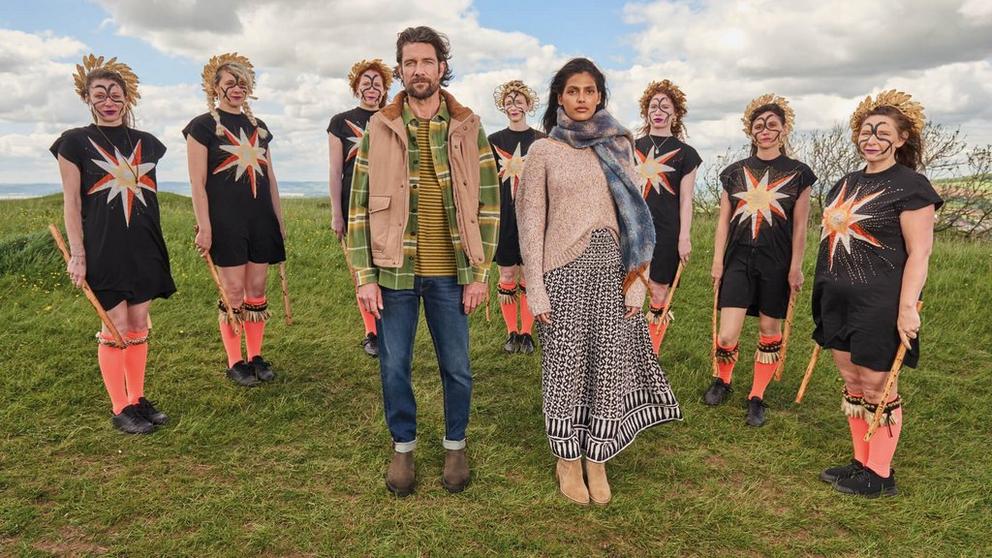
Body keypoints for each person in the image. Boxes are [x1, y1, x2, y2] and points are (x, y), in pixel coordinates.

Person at [516, 58, 682, 506]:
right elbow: (530, 221)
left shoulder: (619, 144)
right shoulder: (544, 151)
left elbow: (635, 218)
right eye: (573, 91)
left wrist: (636, 280)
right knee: (566, 365)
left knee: (608, 362)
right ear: (559, 98)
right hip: (561, 271)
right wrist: (535, 284)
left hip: (613, 269)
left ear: (600, 96)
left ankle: (597, 457)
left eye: (590, 91)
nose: (582, 99)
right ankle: (567, 458)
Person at [347, 26, 500, 496]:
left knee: (457, 366)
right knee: (394, 366)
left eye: (427, 62)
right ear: (400, 70)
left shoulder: (469, 126)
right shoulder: (379, 127)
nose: (418, 71)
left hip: (452, 273)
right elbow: (359, 204)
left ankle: (455, 444)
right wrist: (364, 276)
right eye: (409, 63)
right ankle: (404, 447)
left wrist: (478, 273)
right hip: (394, 273)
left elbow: (489, 204)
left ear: (441, 68)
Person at [812, 90, 941, 497]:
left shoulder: (912, 186)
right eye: (866, 131)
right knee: (852, 381)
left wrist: (907, 308)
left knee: (878, 384)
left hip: (880, 303)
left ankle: (880, 475)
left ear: (902, 139)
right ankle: (861, 460)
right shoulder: (845, 183)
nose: (871, 138)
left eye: (882, 131)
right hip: (836, 298)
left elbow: (920, 252)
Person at [51, 54, 174, 433]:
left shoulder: (148, 144)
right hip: (104, 247)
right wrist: (78, 255)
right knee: (115, 326)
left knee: (138, 324)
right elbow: (72, 203)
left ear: (127, 99)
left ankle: (136, 398)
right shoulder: (73, 142)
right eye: (100, 93)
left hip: (145, 244)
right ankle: (120, 407)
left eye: (115, 93)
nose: (108, 100)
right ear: (88, 98)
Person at [705, 93, 816, 427]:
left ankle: (757, 395)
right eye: (759, 125)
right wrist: (717, 261)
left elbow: (800, 227)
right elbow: (723, 221)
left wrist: (795, 266)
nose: (765, 131)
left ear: (783, 130)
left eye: (772, 125)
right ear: (750, 131)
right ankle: (722, 380)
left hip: (777, 262)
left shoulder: (799, 174)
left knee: (770, 329)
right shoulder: (734, 172)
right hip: (738, 259)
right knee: (727, 335)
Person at [184, 53, 286, 387]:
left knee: (257, 290)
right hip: (225, 221)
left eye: (242, 83)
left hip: (260, 219)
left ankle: (255, 354)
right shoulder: (202, 127)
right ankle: (235, 360)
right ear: (215, 88)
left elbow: (270, 180)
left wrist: (278, 220)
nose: (236, 88)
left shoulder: (260, 128)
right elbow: (197, 183)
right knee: (233, 291)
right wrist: (205, 225)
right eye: (229, 83)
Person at [328, 58, 393, 357]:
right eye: (366, 82)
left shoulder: (395, 118)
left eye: (377, 83)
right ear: (357, 87)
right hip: (353, 204)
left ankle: (388, 328)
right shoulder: (340, 122)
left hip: (390, 205)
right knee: (362, 270)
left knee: (386, 265)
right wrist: (336, 214)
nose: (371, 88)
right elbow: (335, 171)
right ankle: (371, 332)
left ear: (384, 89)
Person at [633, 80, 701, 354]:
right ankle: (627, 352)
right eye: (653, 106)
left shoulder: (687, 154)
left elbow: (686, 200)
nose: (658, 111)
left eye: (665, 106)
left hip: (667, 230)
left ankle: (651, 354)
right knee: (630, 289)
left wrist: (684, 237)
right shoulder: (630, 147)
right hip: (633, 229)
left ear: (675, 114)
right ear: (646, 112)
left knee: (659, 291)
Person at [488, 79, 545, 354]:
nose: (514, 106)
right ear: (503, 107)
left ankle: (527, 333)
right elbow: (485, 181)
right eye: (509, 102)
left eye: (518, 101)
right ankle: (511, 331)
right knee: (508, 272)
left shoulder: (542, 141)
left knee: (530, 275)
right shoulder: (493, 141)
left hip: (534, 217)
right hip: (504, 217)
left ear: (528, 104)